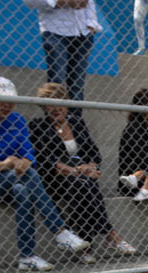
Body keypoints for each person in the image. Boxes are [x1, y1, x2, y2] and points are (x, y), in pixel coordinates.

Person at [0, 76, 90, 271]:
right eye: (2, 101)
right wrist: (0, 166)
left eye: (11, 101)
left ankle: (27, 257)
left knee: (22, 190)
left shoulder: (17, 120)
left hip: (16, 178)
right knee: (27, 177)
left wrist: (25, 161)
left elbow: (28, 153)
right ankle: (60, 232)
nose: (8, 106)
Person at [29, 82, 137, 263]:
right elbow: (43, 159)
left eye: (60, 103)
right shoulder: (38, 125)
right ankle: (110, 234)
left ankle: (87, 247)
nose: (56, 108)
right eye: (50, 104)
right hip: (54, 179)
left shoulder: (76, 122)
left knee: (83, 184)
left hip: (79, 178)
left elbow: (94, 153)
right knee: (84, 184)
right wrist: (72, 170)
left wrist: (90, 167)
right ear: (44, 107)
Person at [23, 0, 100, 109]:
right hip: (55, 31)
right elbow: (30, 2)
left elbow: (88, 2)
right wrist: (65, 2)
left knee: (77, 84)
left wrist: (91, 25)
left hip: (83, 32)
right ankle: (54, 117)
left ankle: (74, 117)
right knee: (57, 80)